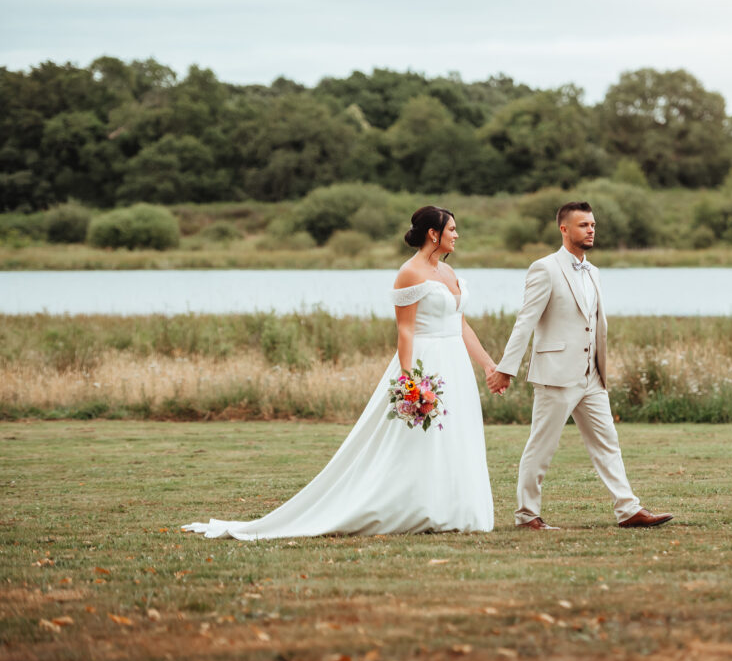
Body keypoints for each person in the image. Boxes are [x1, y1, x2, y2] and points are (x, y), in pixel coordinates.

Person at [183, 206, 495, 539]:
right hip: (425, 363)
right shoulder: (410, 272)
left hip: (455, 365)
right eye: (452, 229)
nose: (457, 235)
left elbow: (460, 325)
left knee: (455, 435)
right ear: (434, 234)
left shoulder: (448, 273)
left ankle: (456, 509)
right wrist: (408, 382)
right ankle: (416, 507)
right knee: (415, 441)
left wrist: (489, 364)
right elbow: (404, 331)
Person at [487, 201, 673, 530]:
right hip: (556, 375)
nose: (591, 230)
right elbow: (525, 321)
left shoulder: (594, 271)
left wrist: (600, 367)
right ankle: (527, 515)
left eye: (593, 225)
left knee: (607, 443)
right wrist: (506, 368)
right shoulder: (544, 268)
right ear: (564, 229)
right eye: (584, 225)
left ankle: (628, 510)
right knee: (541, 447)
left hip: (591, 376)